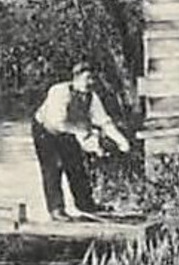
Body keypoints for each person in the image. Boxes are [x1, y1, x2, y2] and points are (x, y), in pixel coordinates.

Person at [32, 61, 130, 221]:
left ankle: (86, 204)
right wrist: (83, 131)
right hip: (46, 130)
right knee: (53, 167)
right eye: (87, 79)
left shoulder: (92, 97)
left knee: (76, 165)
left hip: (69, 130)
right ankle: (56, 209)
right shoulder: (59, 92)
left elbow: (104, 121)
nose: (91, 83)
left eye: (93, 79)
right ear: (76, 78)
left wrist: (121, 141)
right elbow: (57, 122)